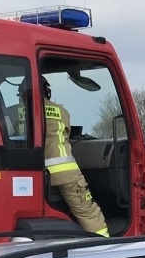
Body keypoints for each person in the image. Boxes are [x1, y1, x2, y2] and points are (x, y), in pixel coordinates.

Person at [43, 77, 108, 236]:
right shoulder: (62, 112)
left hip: (35, 174)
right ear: (47, 92)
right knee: (88, 212)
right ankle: (103, 244)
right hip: (65, 172)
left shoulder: (15, 112)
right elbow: (66, 134)